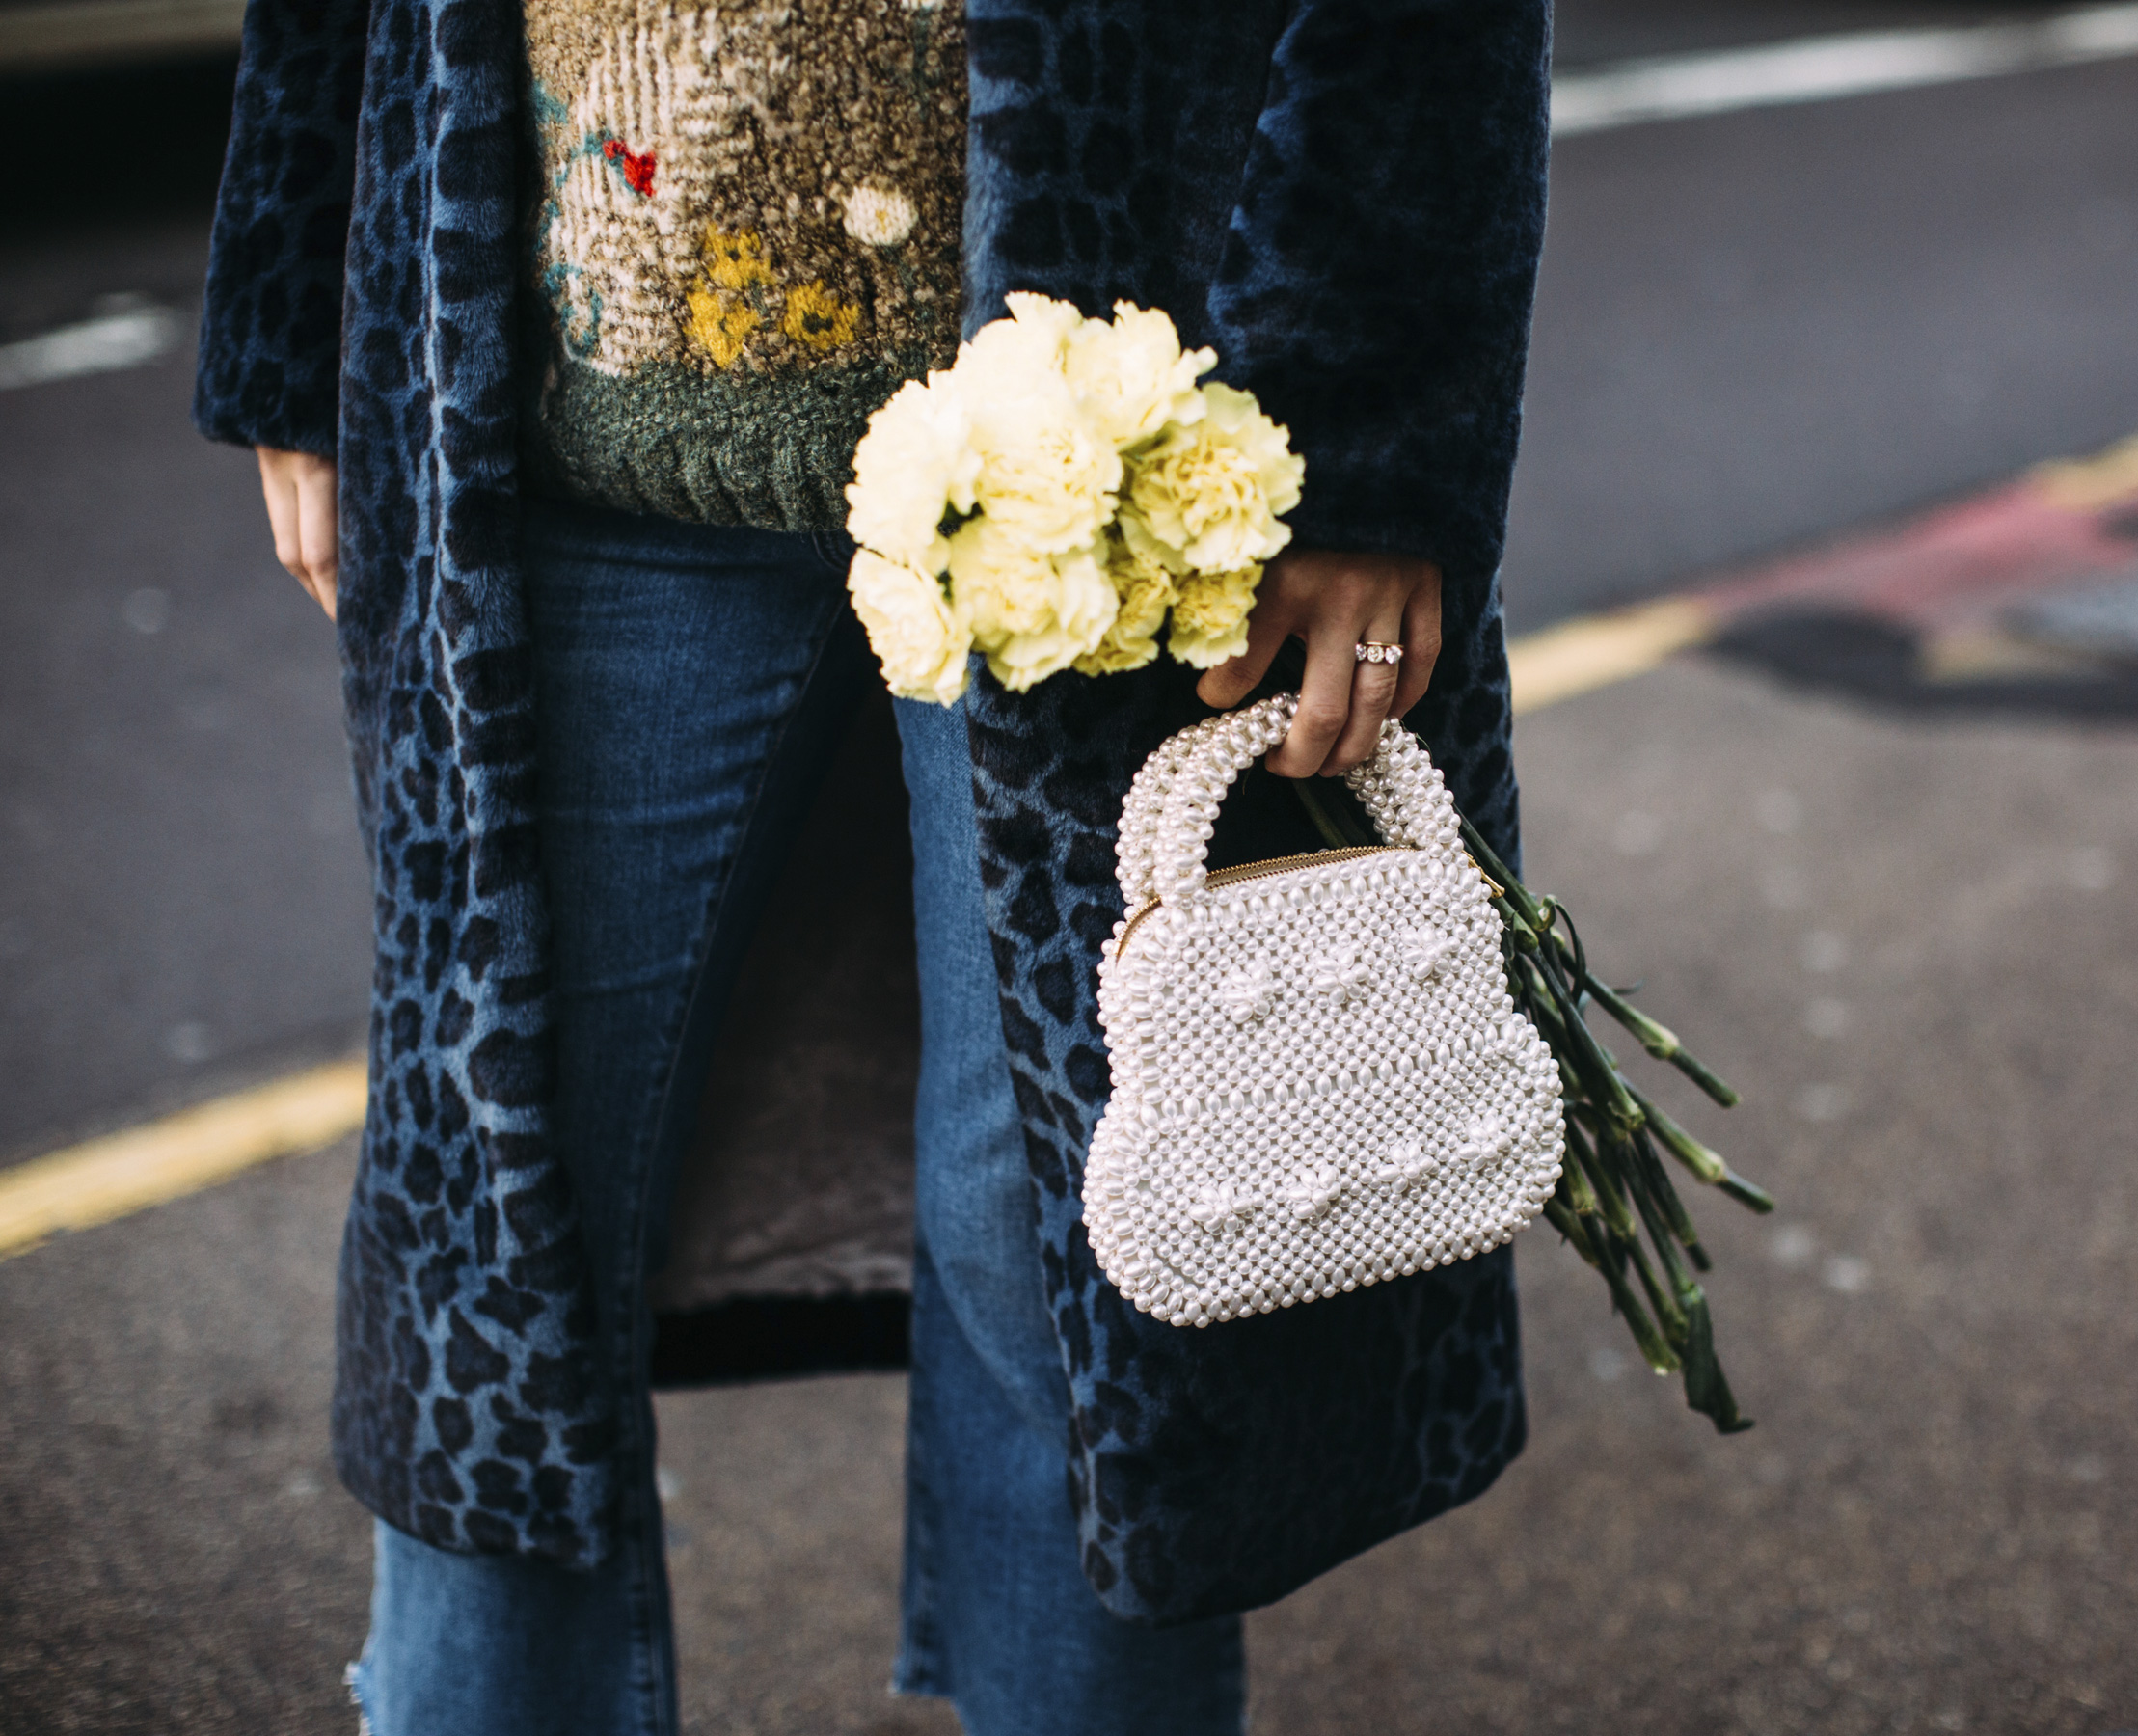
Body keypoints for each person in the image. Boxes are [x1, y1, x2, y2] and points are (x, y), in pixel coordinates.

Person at [198, 0, 1552, 1729]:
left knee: (1084, 1245)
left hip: (1125, 401)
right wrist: (298, 299)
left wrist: (1363, 427)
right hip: (571, 393)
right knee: (495, 1213)